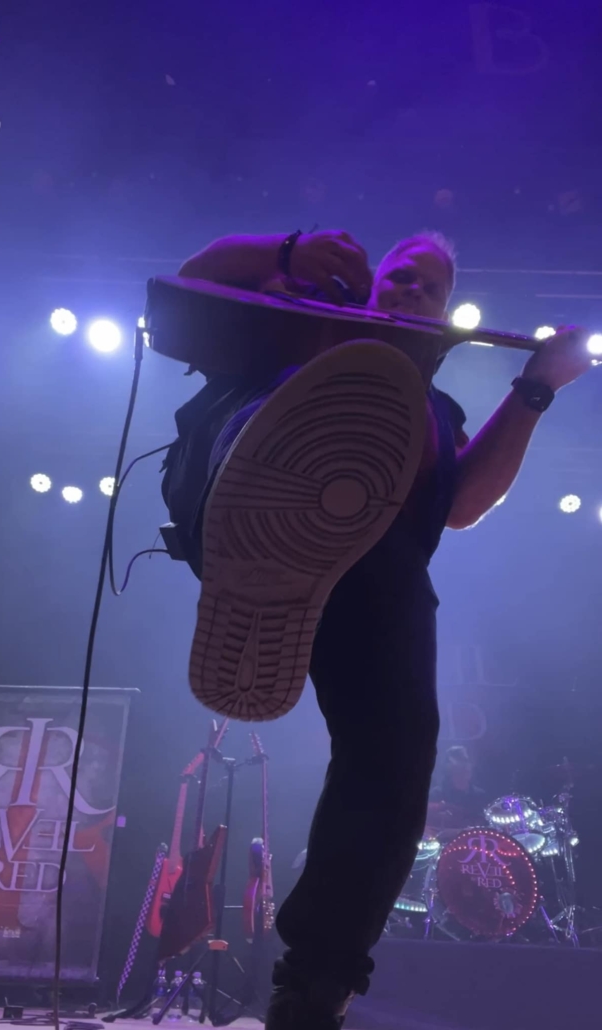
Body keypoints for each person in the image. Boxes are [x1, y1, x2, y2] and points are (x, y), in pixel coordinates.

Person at [161, 229, 593, 1030]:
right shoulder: (296, 319)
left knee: (394, 755)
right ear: (368, 283)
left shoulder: (437, 408)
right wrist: (283, 254)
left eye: (430, 288)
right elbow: (184, 293)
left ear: (446, 314)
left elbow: (462, 506)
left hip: (374, 560)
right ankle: (263, 494)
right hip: (254, 504)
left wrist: (536, 387)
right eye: (399, 275)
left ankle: (316, 983)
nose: (410, 291)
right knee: (289, 393)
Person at [428, 745, 487, 830]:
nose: (466, 766)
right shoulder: (436, 795)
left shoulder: (480, 795)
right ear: (448, 767)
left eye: (467, 761)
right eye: (460, 761)